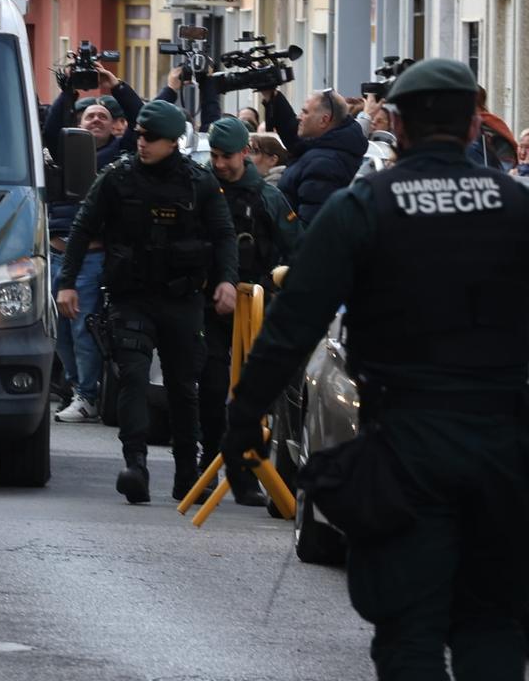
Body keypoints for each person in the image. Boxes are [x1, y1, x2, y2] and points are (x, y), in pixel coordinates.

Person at [223, 58, 529, 681]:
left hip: (404, 441)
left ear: (396, 127)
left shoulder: (363, 208)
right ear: (475, 127)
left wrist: (242, 417)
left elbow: (294, 325)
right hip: (506, 445)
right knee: (494, 624)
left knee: (409, 631)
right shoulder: (518, 207)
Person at [57, 100, 238, 503]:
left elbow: (224, 234)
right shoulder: (117, 178)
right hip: (131, 297)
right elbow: (83, 227)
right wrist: (67, 283)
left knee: (182, 387)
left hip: (181, 300)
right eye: (139, 134)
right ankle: (135, 465)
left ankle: (187, 473)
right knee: (134, 378)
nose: (142, 143)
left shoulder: (198, 182)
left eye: (151, 138)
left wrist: (226, 280)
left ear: (174, 142)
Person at [199, 117, 303, 506]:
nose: (220, 163)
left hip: (254, 308)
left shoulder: (267, 198)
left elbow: (298, 250)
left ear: (245, 153)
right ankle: (206, 464)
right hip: (207, 304)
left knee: (251, 397)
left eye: (226, 156)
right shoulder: (201, 188)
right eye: (214, 155)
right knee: (209, 389)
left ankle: (244, 475)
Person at [48, 97, 130, 424]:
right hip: (55, 254)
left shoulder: (119, 157)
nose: (95, 120)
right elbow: (51, 127)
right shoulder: (63, 152)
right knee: (56, 330)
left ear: (114, 125)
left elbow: (141, 123)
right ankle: (73, 386)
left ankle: (87, 395)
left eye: (103, 116)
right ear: (78, 123)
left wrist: (119, 89)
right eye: (89, 116)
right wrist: (66, 89)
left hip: (90, 259)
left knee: (82, 327)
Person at [260, 86, 367, 223]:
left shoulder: (324, 165)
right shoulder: (326, 145)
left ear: (324, 120)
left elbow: (310, 228)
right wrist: (273, 96)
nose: (299, 117)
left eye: (305, 112)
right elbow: (292, 133)